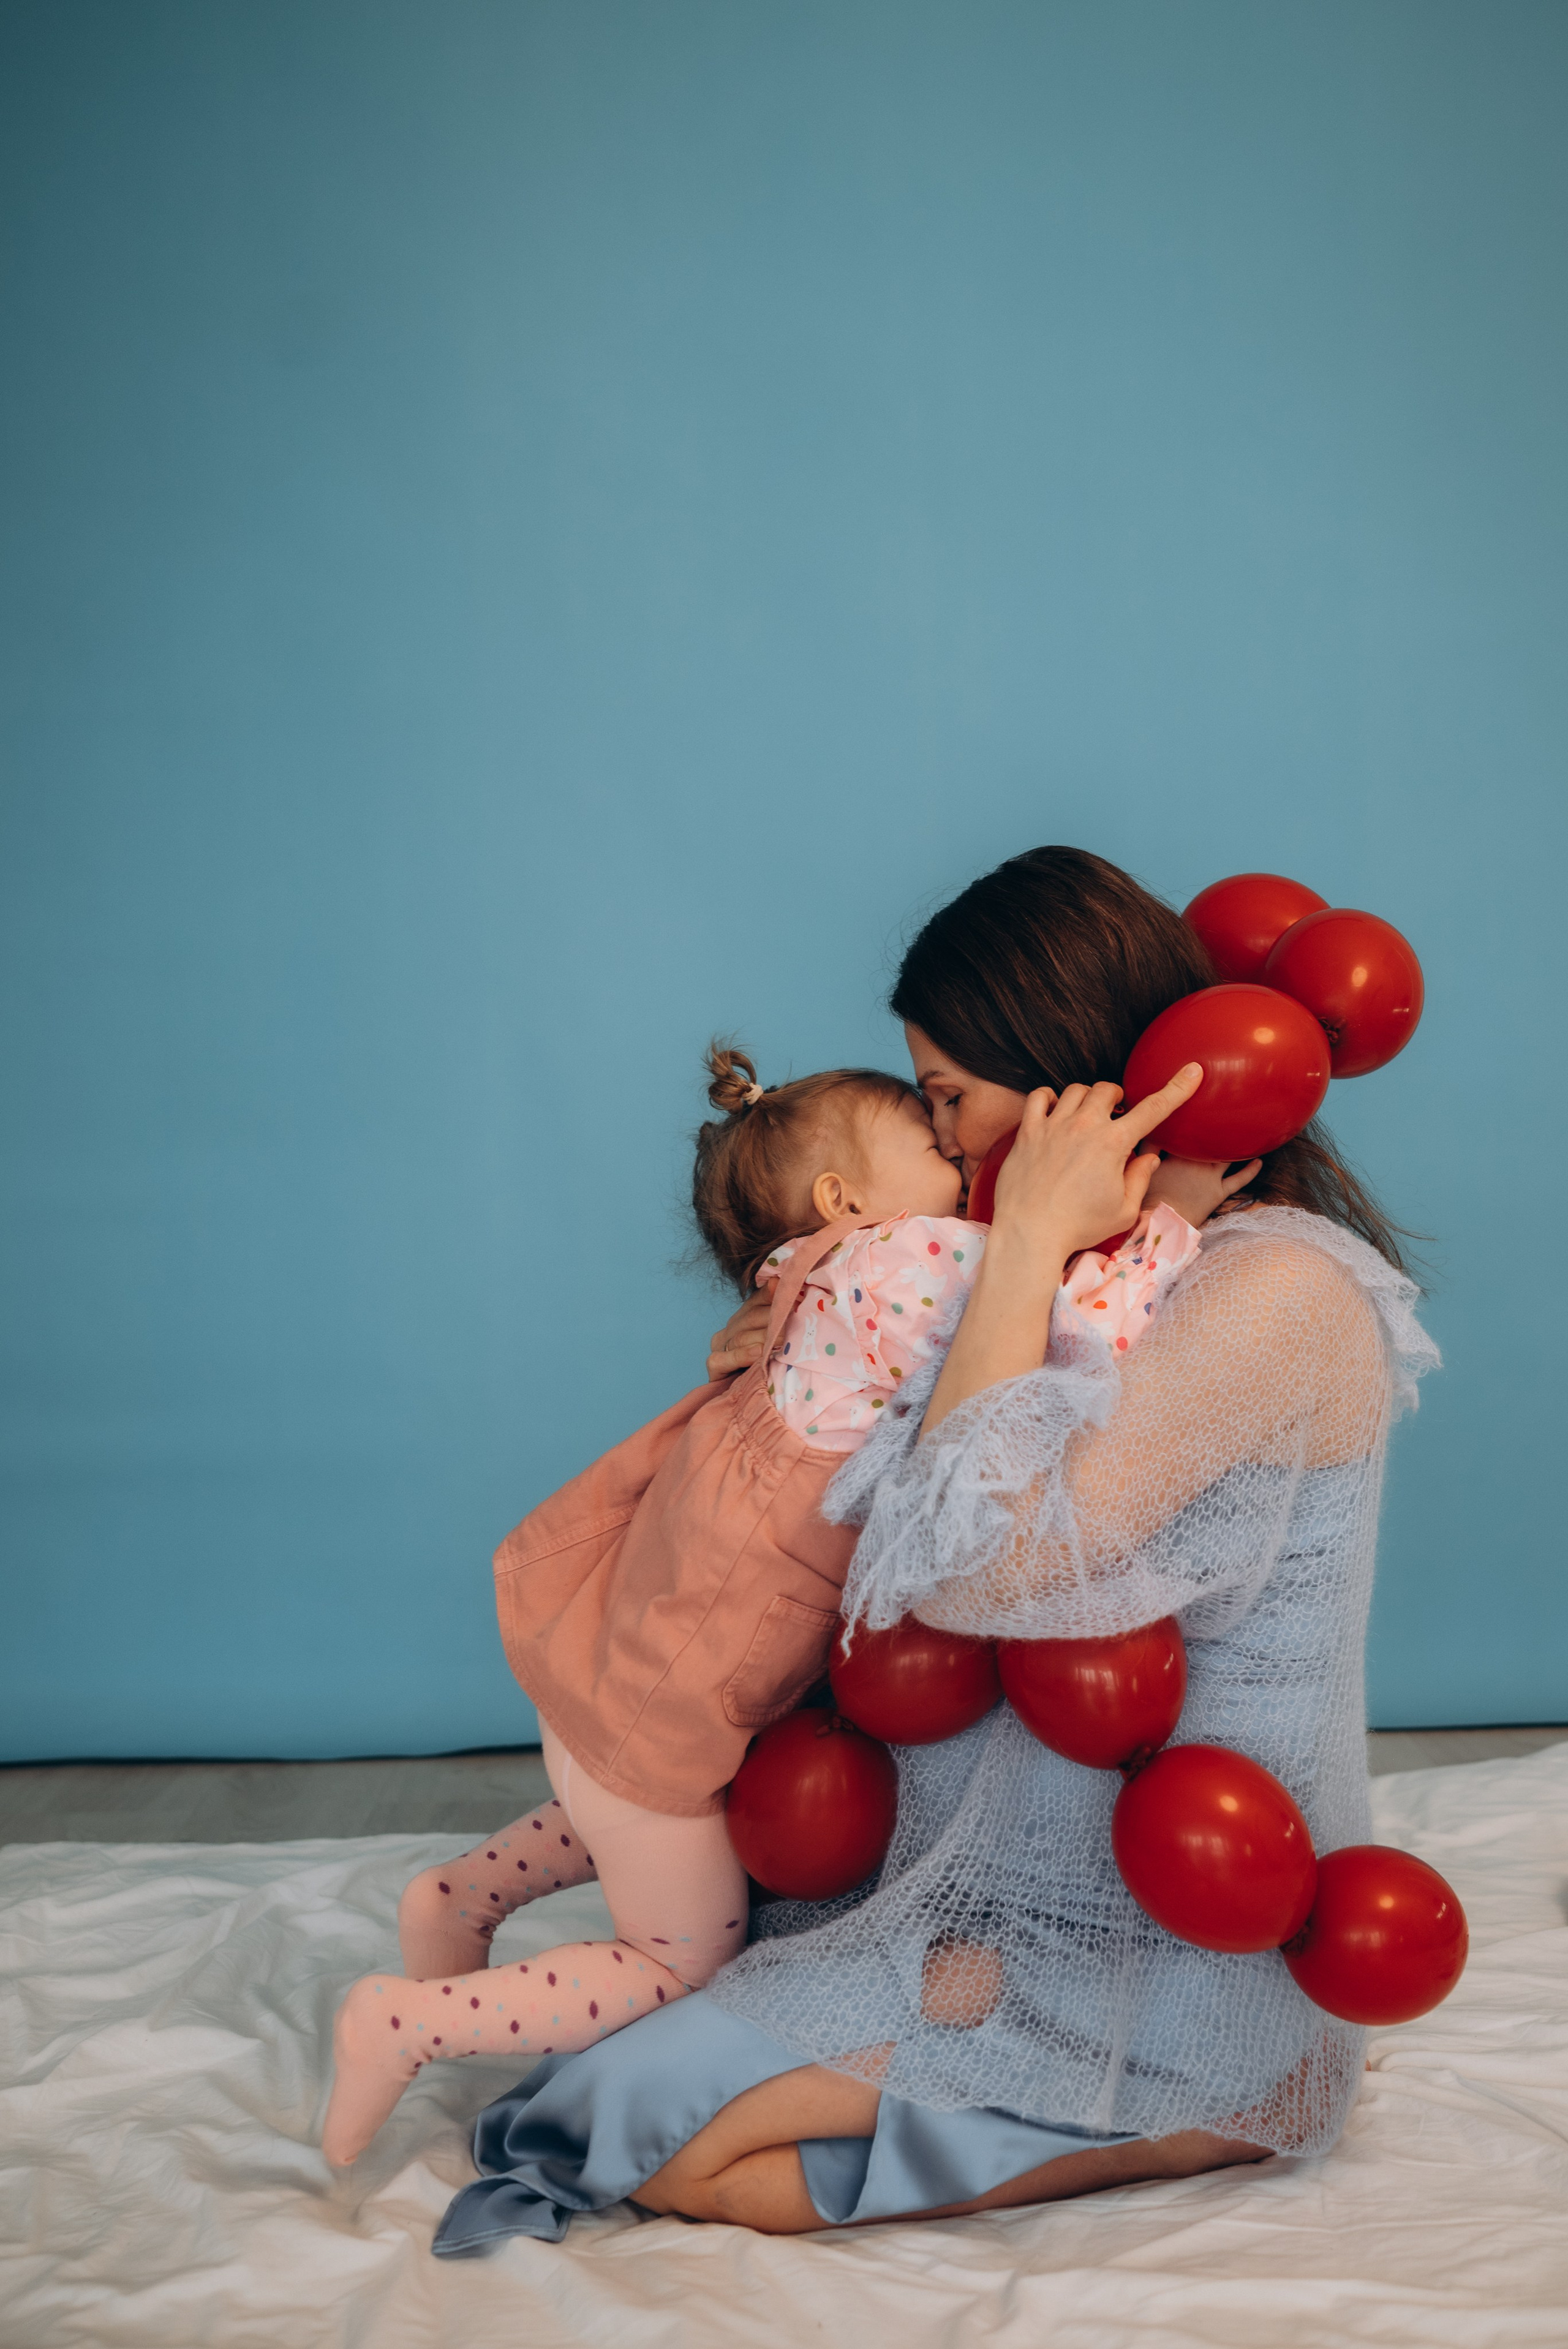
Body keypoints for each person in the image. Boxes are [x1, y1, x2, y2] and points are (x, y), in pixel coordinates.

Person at [428, 845, 1435, 2247]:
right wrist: (786, 1348)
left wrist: (1019, 1242)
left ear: (1069, 1079)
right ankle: (1047, 2065)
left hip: (1161, 1943)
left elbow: (976, 1566)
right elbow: (868, 1484)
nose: (946, 1146)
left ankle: (1227, 2095)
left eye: (950, 1099)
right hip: (1004, 1896)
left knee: (646, 2151)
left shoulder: (1268, 1292)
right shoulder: (1091, 1261)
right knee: (608, 2121)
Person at [324, 1035, 1221, 2166]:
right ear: (851, 1196)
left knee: (633, 1806)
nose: (958, 1157)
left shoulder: (805, 1276)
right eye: (932, 1145)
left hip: (609, 1664)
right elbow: (1074, 1323)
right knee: (675, 1963)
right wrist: (1170, 1220)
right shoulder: (915, 1262)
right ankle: (409, 2024)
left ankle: (459, 1897)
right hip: (670, 1687)